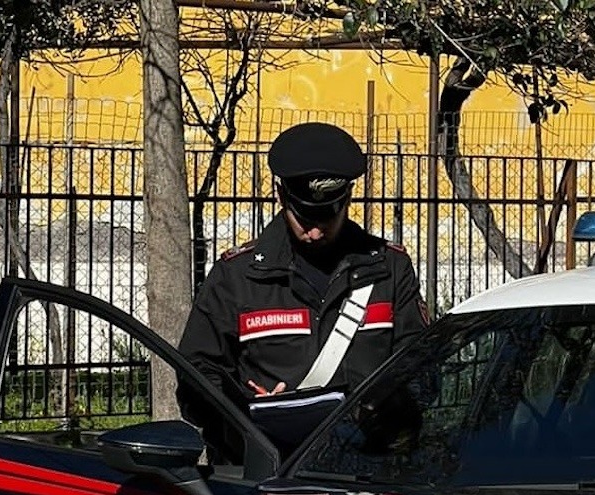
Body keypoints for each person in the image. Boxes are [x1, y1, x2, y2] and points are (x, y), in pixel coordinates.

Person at [176, 121, 428, 459]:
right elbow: (197, 378)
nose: (315, 231)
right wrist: (247, 413)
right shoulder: (237, 276)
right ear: (281, 196)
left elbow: (422, 373)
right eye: (305, 216)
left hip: (368, 469)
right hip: (267, 472)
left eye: (327, 216)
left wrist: (378, 408)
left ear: (347, 198)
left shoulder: (389, 269)